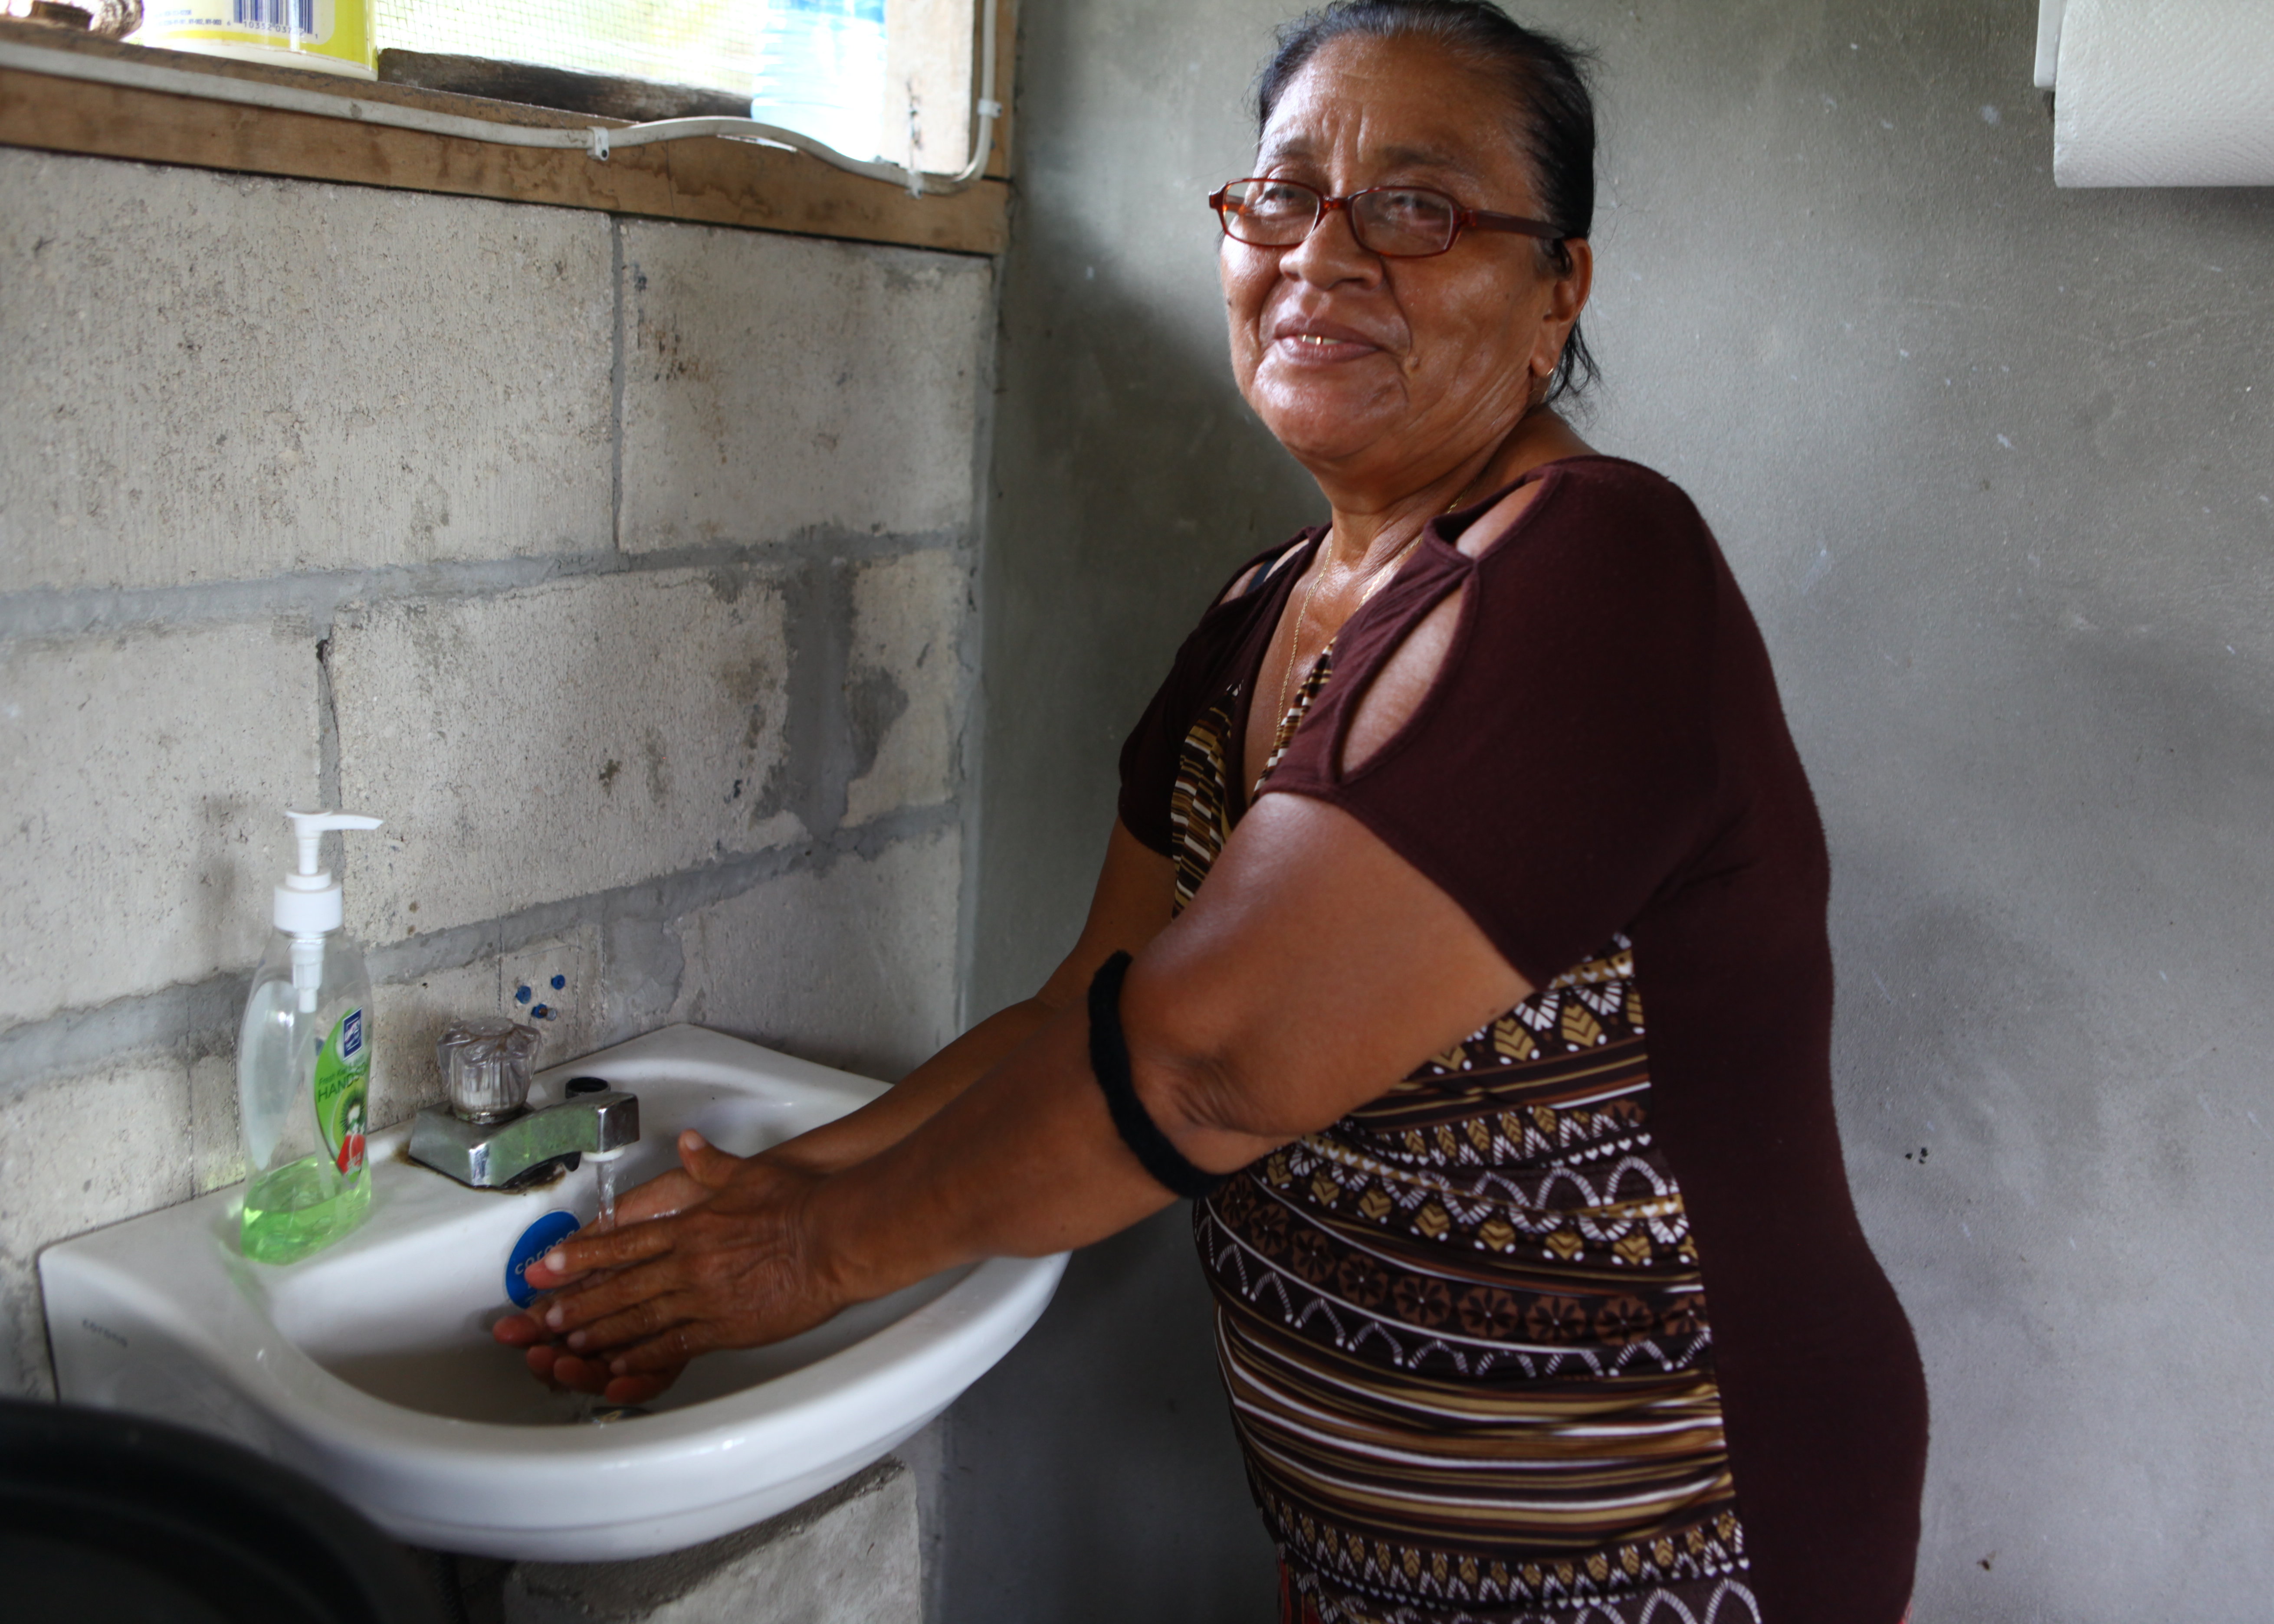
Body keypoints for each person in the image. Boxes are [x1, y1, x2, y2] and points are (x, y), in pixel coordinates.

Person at [495, 3, 1928, 1619]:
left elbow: (1206, 1062)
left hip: (1675, 1522)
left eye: (1417, 205)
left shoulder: (1597, 572)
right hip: (1365, 1531)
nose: (1325, 254)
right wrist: (789, 1185)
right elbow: (1092, 1013)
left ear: (1558, 294)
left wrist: (801, 1258)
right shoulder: (1260, 613)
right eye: (1281, 195)